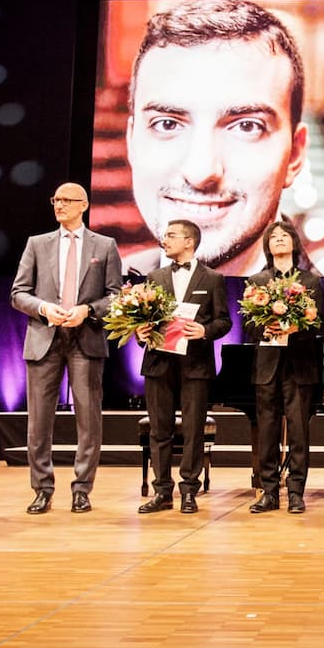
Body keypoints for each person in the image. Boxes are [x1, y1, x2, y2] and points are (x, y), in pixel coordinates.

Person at [124, 0, 310, 276]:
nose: (201, 172)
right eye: (166, 124)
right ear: (131, 142)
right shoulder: (92, 296)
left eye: (247, 126)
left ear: (295, 155)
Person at [10, 182, 123, 515]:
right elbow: (18, 293)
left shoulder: (105, 245)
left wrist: (87, 310)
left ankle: (82, 488)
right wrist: (45, 308)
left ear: (83, 204)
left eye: (66, 200)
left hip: (85, 338)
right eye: (55, 199)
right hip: (45, 337)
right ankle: (42, 488)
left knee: (88, 419)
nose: (59, 205)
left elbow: (115, 294)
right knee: (38, 421)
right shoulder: (36, 244)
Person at [134, 219, 230, 515]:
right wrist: (140, 333)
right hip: (159, 363)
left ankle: (189, 490)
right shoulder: (154, 277)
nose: (166, 239)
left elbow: (223, 321)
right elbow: (143, 320)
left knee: (193, 430)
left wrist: (205, 332)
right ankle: (162, 490)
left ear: (190, 242)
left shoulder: (212, 278)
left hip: (195, 365)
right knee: (159, 431)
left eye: (172, 235)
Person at [246, 220, 324, 514]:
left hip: (299, 365)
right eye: (274, 237)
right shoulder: (256, 282)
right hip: (266, 365)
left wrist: (294, 329)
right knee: (266, 431)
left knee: (298, 432)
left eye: (284, 236)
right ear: (267, 246)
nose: (279, 240)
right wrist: (264, 329)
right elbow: (247, 324)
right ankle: (268, 492)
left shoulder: (310, 281)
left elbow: (316, 324)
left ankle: (296, 492)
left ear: (294, 243)